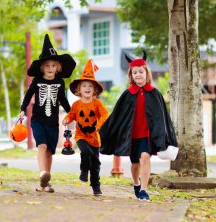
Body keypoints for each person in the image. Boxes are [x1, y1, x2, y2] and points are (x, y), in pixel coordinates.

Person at [99, 51, 178, 201]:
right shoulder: (127, 94)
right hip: (132, 135)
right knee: (135, 163)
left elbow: (162, 117)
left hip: (147, 135)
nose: (138, 75)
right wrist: (104, 132)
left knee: (145, 157)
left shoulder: (155, 93)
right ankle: (136, 183)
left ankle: (144, 190)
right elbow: (117, 116)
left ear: (147, 73)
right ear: (131, 75)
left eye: (141, 72)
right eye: (135, 72)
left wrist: (164, 135)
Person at [20, 34, 76, 193]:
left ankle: (45, 181)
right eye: (47, 66)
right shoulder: (37, 81)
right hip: (37, 119)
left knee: (50, 151)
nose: (50, 68)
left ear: (58, 67)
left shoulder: (59, 82)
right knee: (42, 145)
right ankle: (42, 173)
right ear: (42, 68)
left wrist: (73, 113)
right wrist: (23, 110)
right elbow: (28, 95)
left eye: (53, 65)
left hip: (52, 121)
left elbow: (63, 100)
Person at [62, 59, 108, 195]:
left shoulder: (97, 104)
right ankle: (83, 170)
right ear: (78, 90)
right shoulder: (76, 105)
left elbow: (105, 115)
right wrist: (66, 119)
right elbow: (71, 115)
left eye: (90, 86)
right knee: (85, 153)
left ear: (94, 90)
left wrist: (99, 125)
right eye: (84, 86)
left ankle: (96, 186)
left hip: (95, 138)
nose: (87, 88)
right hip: (81, 136)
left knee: (96, 164)